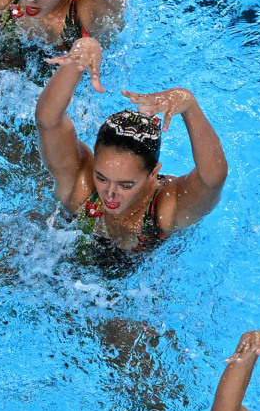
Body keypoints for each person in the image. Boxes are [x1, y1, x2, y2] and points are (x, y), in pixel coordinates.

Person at [35, 39, 227, 253]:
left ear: (154, 173)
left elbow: (213, 180)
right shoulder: (81, 185)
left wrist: (189, 104)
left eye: (126, 185)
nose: (110, 194)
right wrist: (81, 53)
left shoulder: (166, 209)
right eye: (101, 177)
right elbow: (48, 122)